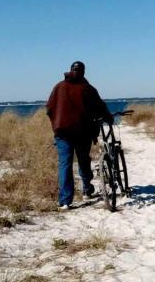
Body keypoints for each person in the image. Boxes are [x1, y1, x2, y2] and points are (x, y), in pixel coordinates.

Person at [46, 61, 113, 209]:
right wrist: (108, 117)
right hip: (82, 132)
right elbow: (100, 107)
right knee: (83, 161)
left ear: (70, 70)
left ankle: (65, 201)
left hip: (62, 132)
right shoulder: (88, 88)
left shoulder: (59, 87)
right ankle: (87, 189)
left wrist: (56, 124)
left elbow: (49, 108)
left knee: (65, 165)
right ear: (83, 72)